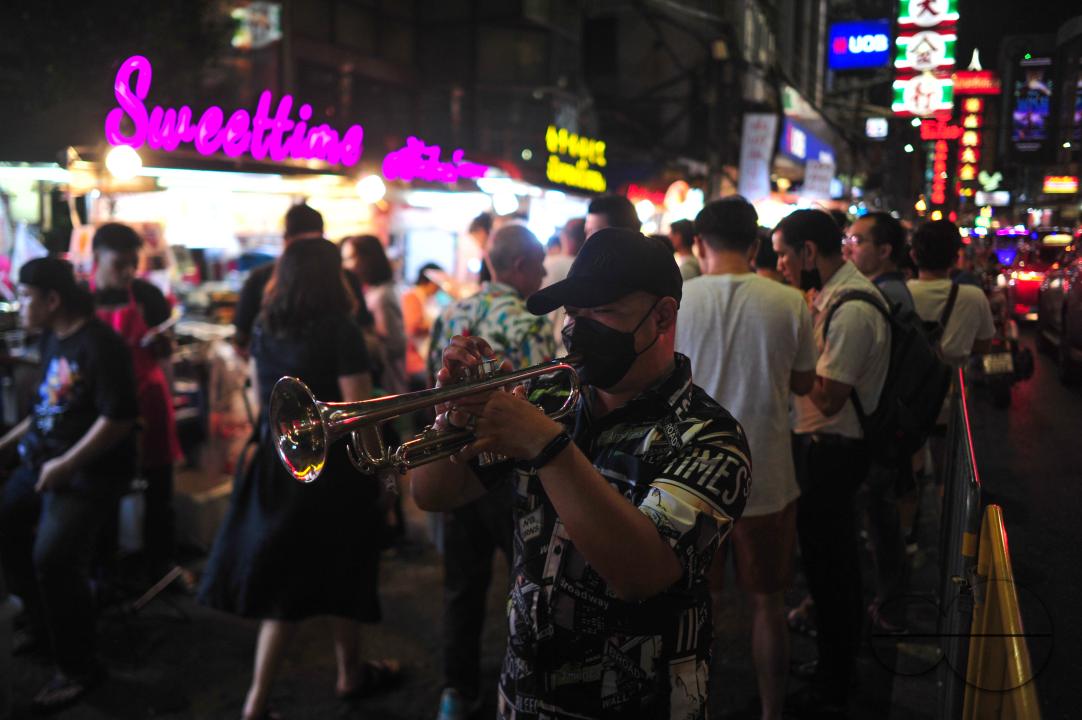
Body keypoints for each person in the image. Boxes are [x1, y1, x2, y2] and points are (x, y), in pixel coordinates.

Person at [413, 228, 752, 719]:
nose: (579, 326)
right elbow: (435, 493)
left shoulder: (711, 437)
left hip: (642, 704)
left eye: (603, 311)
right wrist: (456, 418)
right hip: (524, 693)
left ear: (662, 317)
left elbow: (641, 571)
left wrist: (548, 449)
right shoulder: (546, 400)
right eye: (574, 313)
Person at [198, 239, 399, 720]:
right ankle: (291, 692)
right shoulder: (341, 330)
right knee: (336, 572)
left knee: (301, 581)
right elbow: (356, 412)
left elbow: (264, 395)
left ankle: (323, 680)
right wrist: (382, 474)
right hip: (334, 473)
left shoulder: (266, 327)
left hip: (279, 463)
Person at [677, 198, 815, 720]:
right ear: (756, 244)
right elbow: (803, 383)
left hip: (690, 476)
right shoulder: (789, 301)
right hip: (767, 473)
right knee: (768, 603)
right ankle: (772, 711)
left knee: (695, 604)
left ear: (697, 243)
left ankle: (695, 705)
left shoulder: (679, 300)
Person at [426, 224, 554, 720]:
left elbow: (431, 385)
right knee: (527, 579)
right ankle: (522, 678)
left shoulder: (453, 311)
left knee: (461, 584)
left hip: (456, 461)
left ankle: (455, 693)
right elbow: (547, 396)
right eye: (540, 266)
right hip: (510, 469)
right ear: (520, 266)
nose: (543, 276)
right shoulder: (530, 318)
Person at [0, 258, 137, 713]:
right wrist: (8, 441)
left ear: (52, 300)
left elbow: (118, 418)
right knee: (7, 526)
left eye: (25, 296)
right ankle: (43, 625)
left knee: (54, 557)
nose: (19, 305)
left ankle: (80, 667)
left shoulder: (102, 344)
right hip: (43, 461)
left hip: (87, 472)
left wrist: (65, 463)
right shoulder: (52, 340)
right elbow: (47, 411)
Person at [772, 209, 890, 714]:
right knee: (825, 566)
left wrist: (790, 362)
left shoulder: (854, 307)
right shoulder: (832, 296)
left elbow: (830, 396)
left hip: (836, 453)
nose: (779, 265)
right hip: (823, 449)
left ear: (808, 253)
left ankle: (836, 680)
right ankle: (831, 666)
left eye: (783, 253)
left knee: (833, 568)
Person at [90, 223, 184, 581]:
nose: (128, 272)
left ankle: (163, 566)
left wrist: (162, 342)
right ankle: (107, 572)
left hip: (150, 400)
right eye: (120, 264)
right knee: (105, 492)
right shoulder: (83, 299)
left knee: (159, 488)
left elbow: (167, 351)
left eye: (133, 263)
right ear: (97, 257)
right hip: (104, 408)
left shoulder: (146, 294)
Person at [842, 212, 915, 632]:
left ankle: (890, 604)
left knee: (878, 515)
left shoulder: (884, 297)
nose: (850, 245)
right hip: (883, 424)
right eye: (848, 237)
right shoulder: (884, 290)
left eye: (858, 239)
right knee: (878, 514)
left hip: (878, 426)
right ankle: (889, 599)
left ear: (885, 250)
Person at [233, 203, 372, 354]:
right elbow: (364, 330)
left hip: (276, 374)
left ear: (286, 238)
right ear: (323, 235)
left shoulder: (260, 278)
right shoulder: (346, 277)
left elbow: (241, 339)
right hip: (340, 373)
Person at [908, 220, 995, 367]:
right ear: (955, 260)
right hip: (953, 385)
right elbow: (984, 346)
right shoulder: (974, 297)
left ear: (913, 256)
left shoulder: (900, 295)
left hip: (909, 386)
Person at [341, 235, 409, 397]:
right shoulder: (376, 291)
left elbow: (395, 344)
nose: (346, 265)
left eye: (350, 258)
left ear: (367, 259)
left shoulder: (381, 296)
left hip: (388, 384)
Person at [843, 212, 914, 314]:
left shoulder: (882, 295)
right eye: (847, 240)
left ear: (883, 251)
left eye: (856, 241)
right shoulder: (883, 288)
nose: (846, 250)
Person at [542, 218, 586, 353]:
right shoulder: (592, 271)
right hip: (575, 352)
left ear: (565, 238)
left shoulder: (549, 265)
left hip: (550, 353)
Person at [402, 262, 444, 391]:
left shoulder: (429, 298)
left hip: (426, 357)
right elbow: (412, 327)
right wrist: (435, 324)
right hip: (416, 360)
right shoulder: (412, 296)